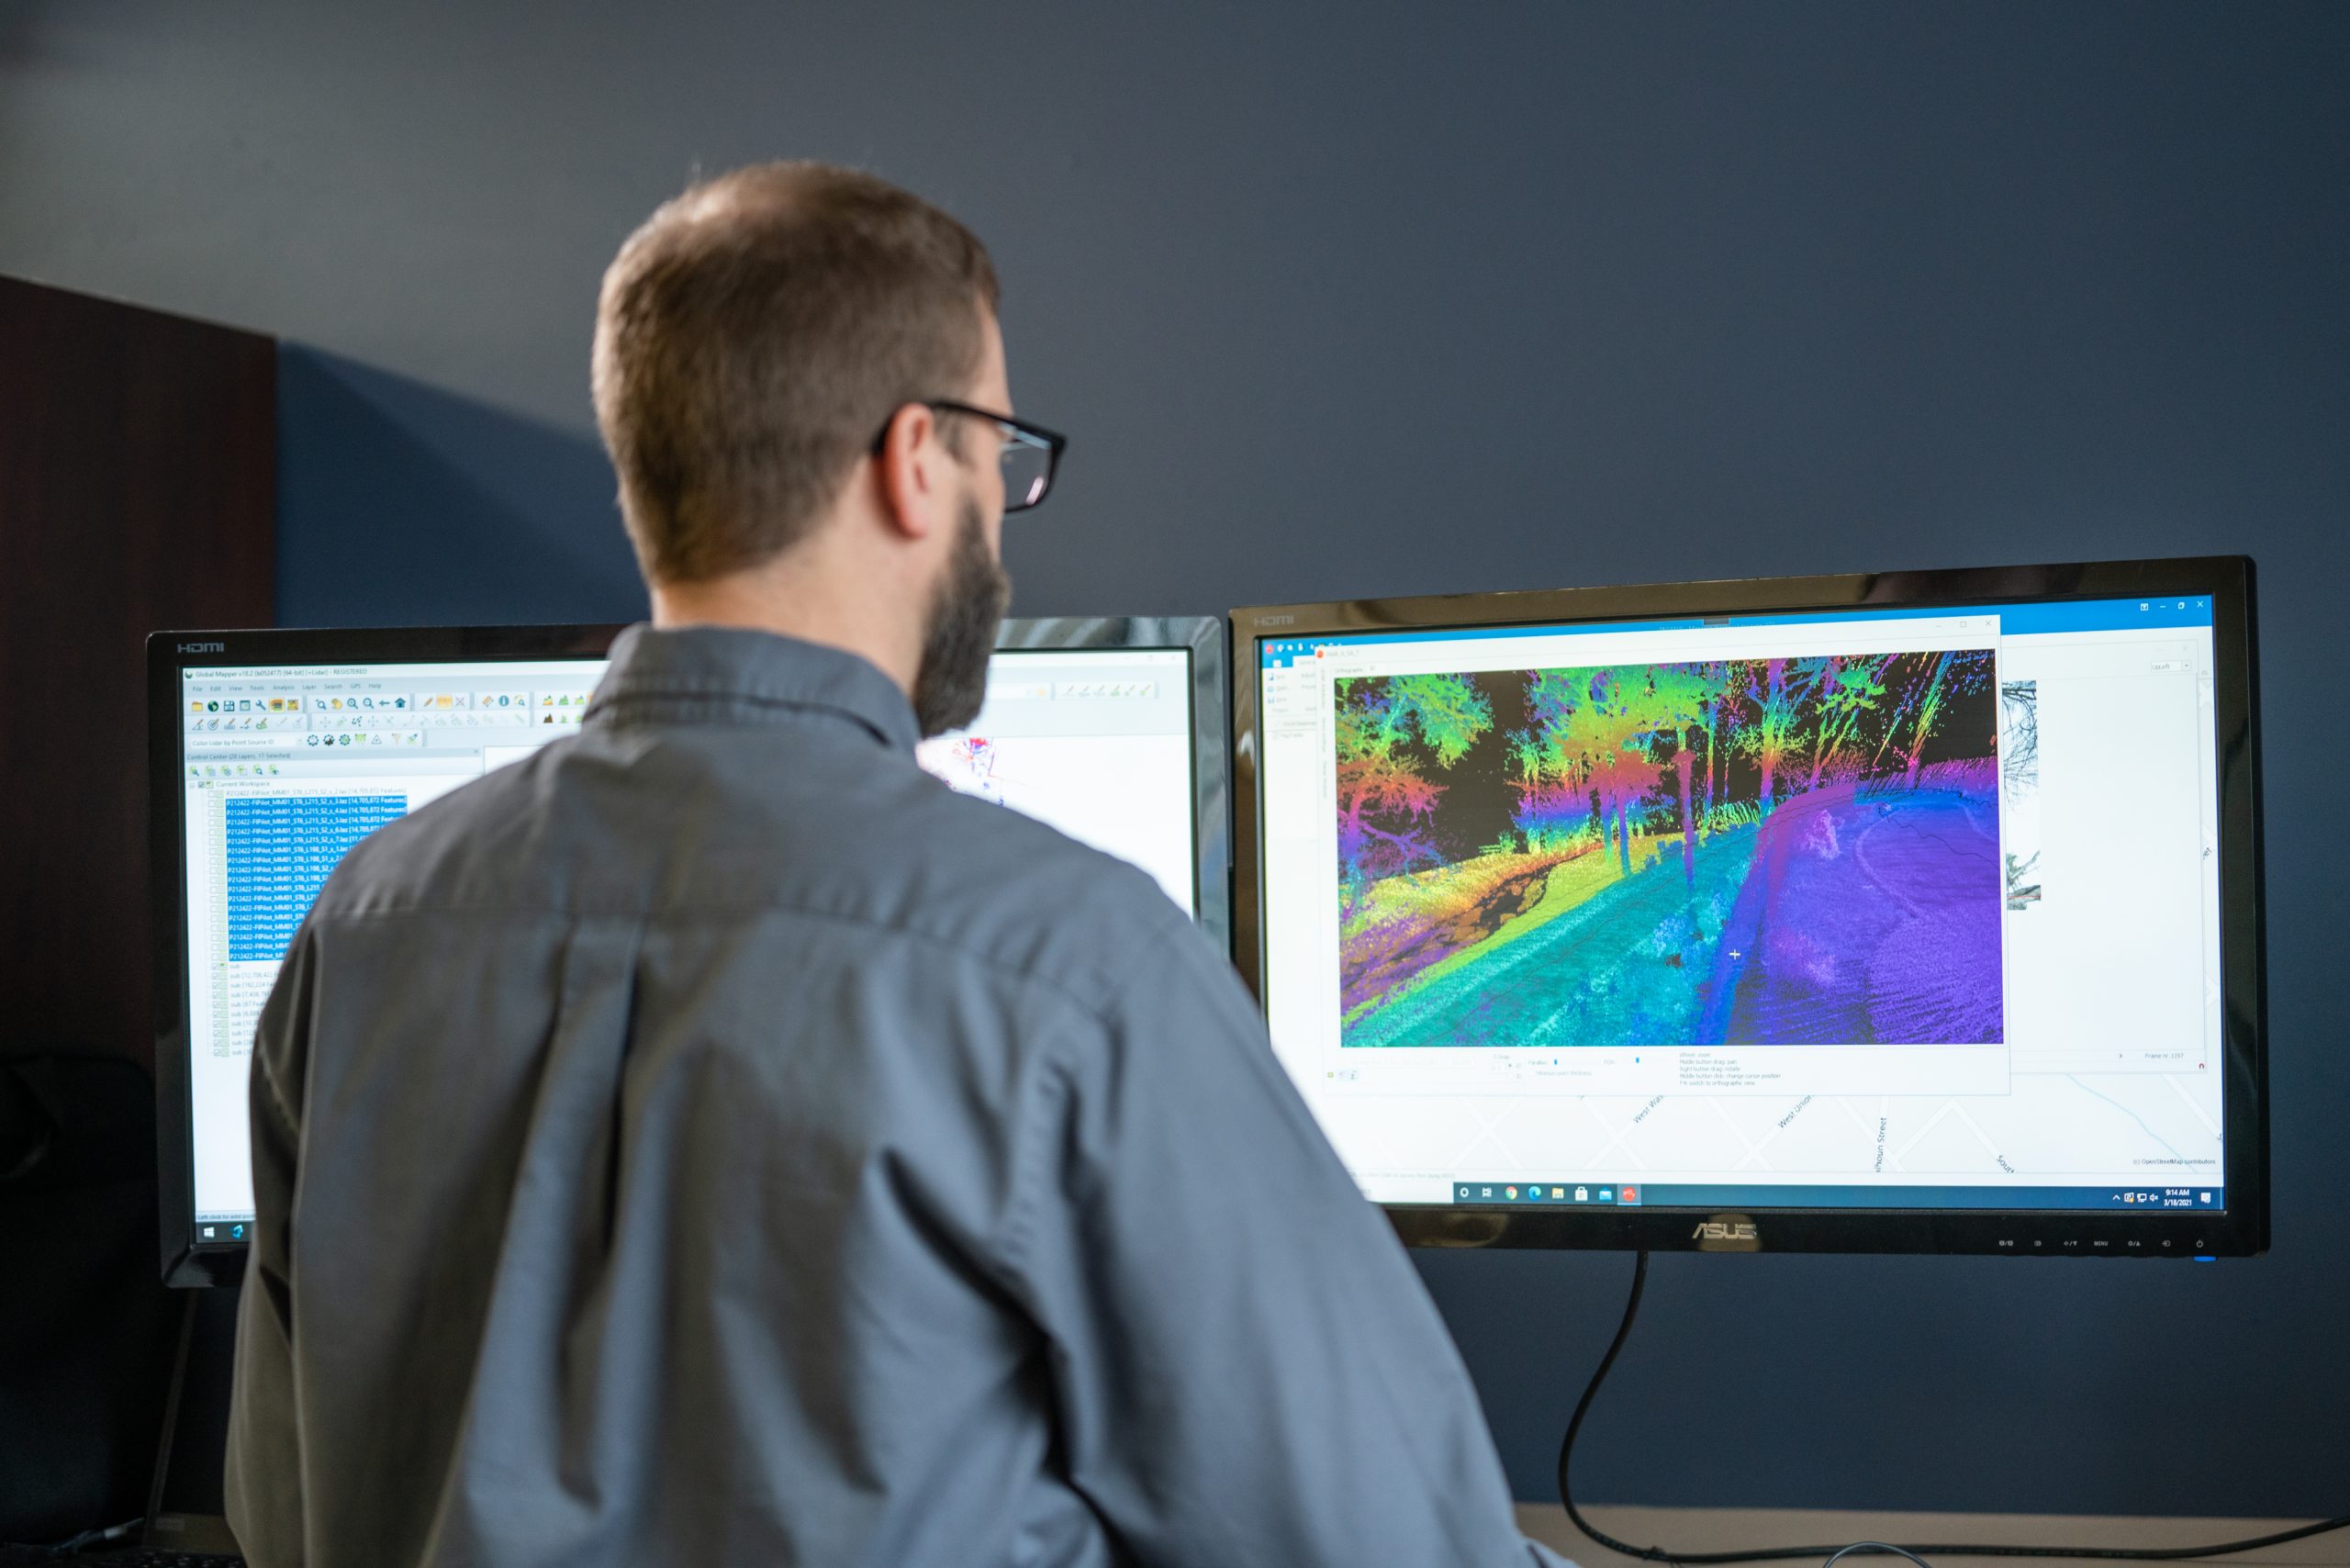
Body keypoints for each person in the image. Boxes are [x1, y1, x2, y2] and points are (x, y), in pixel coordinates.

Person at [226, 161, 1570, 1567]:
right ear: (915, 460)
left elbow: (280, 1512)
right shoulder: (1072, 969)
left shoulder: (363, 927)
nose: (1002, 510)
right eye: (1002, 458)